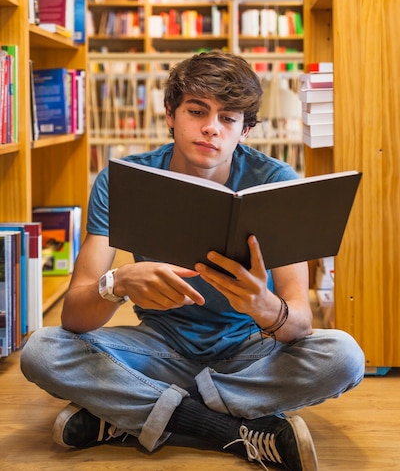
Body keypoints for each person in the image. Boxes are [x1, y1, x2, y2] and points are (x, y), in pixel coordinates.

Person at [21, 51, 365, 471]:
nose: (210, 128)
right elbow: (73, 315)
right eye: (197, 111)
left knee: (344, 356)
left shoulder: (275, 181)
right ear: (170, 113)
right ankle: (227, 430)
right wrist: (120, 283)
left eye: (228, 118)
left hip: (250, 351)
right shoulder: (123, 179)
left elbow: (300, 326)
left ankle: (131, 414)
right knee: (41, 350)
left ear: (246, 130)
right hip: (159, 347)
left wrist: (264, 306)